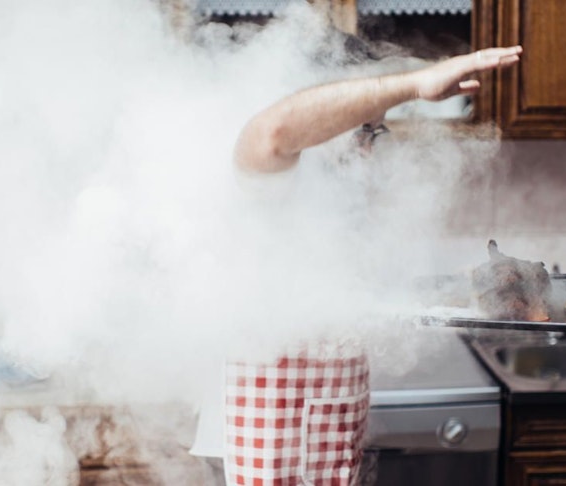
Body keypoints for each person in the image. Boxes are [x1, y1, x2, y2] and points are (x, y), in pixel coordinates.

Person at [214, 45, 523, 486]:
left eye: (376, 134)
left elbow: (349, 294)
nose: (370, 151)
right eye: (364, 131)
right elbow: (274, 130)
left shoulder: (340, 205)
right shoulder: (268, 182)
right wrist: (415, 83)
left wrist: (464, 290)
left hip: (326, 445)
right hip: (274, 451)